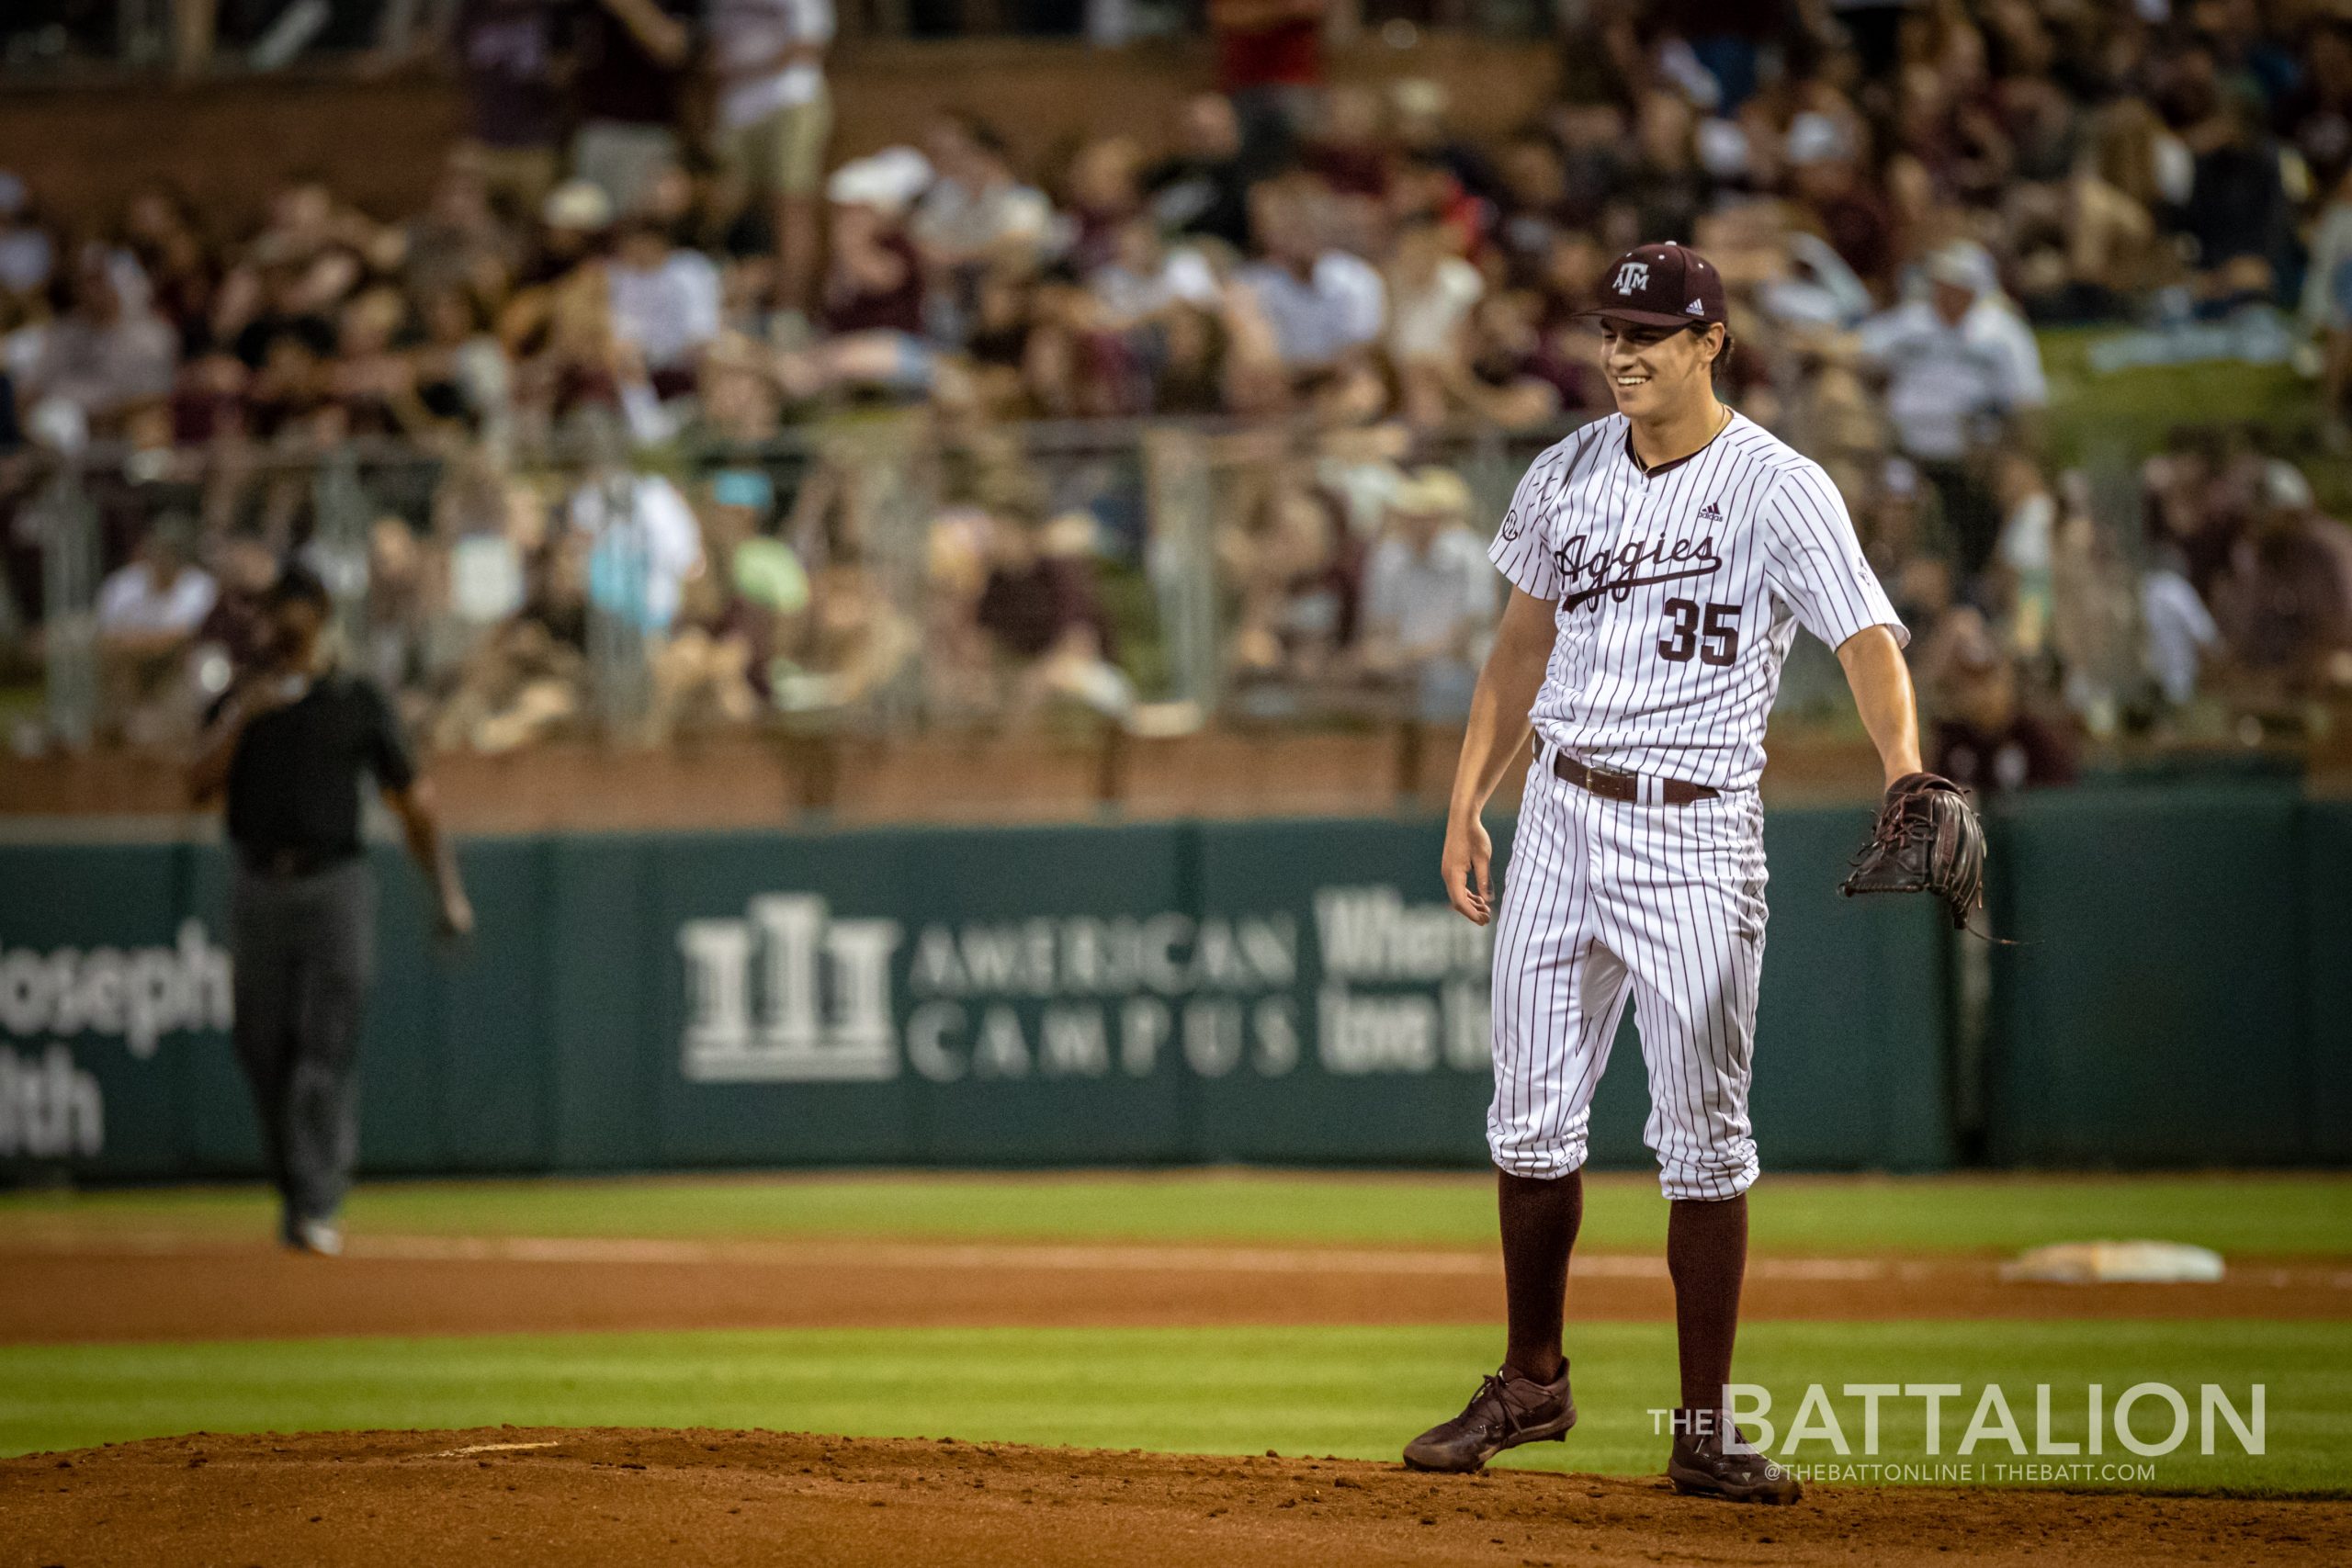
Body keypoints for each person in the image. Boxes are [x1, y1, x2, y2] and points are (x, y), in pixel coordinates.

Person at [1416, 243, 1928, 1503]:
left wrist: (1904, 767)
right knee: (1528, 1118)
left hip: (1696, 830)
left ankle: (1705, 1425)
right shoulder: (1566, 471)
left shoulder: (1780, 487)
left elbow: (1867, 639)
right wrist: (1467, 798)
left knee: (1702, 1138)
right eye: (1612, 329)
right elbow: (1516, 649)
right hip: (1561, 815)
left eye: (1652, 331)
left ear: (1712, 342)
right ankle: (1533, 1377)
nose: (1623, 350)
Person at [186, 564, 473, 1257]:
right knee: (263, 1050)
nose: (272, 627)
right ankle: (296, 1193)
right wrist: (240, 718)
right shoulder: (241, 698)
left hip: (334, 882)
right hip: (259, 882)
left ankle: (317, 1199)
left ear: (315, 614)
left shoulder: (354, 697)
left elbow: (415, 801)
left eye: (286, 611)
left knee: (325, 1045)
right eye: (267, 613)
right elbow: (195, 785)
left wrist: (446, 890)